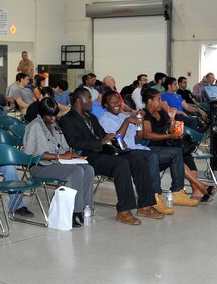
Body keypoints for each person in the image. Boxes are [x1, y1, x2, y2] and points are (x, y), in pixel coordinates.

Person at [58, 88, 162, 225]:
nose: (91, 101)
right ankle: (124, 211)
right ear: (79, 100)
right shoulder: (67, 119)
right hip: (85, 156)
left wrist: (115, 142)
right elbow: (74, 142)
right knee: (121, 164)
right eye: (88, 98)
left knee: (136, 158)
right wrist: (100, 142)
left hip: (102, 152)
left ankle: (145, 205)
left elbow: (103, 136)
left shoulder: (91, 117)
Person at [23, 97, 96, 228]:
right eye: (50, 116)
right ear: (42, 114)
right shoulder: (33, 126)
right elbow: (29, 155)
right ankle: (74, 211)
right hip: (40, 167)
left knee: (88, 169)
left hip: (58, 163)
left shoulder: (54, 126)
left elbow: (64, 147)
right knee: (76, 171)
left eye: (55, 116)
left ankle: (85, 209)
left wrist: (73, 155)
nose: (53, 119)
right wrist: (59, 156)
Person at [100, 92, 177, 215]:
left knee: (166, 154)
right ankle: (155, 196)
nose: (116, 104)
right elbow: (117, 141)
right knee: (151, 157)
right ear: (105, 104)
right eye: (112, 102)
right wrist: (127, 121)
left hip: (136, 147)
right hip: (121, 152)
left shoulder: (121, 115)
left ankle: (158, 197)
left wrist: (139, 120)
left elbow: (139, 137)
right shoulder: (104, 119)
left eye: (118, 101)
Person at [140, 88, 210, 204]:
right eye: (158, 100)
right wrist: (170, 136)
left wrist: (172, 118)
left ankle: (184, 191)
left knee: (183, 154)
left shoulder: (161, 113)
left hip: (166, 148)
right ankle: (195, 187)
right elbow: (148, 135)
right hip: (151, 149)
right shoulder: (144, 114)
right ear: (150, 101)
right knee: (177, 153)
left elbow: (169, 131)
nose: (161, 102)